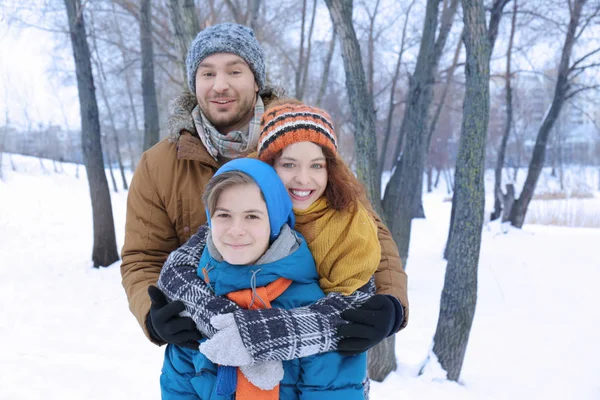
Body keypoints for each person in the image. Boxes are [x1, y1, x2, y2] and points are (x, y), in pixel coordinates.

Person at [120, 22, 408, 355]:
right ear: (194, 83)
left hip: (308, 343)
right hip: (207, 350)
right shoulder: (159, 165)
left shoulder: (298, 138)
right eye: (207, 73)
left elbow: (362, 224)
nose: (220, 85)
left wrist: (392, 303)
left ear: (256, 79)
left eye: (234, 71)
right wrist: (152, 313)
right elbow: (143, 257)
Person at [157, 101, 401, 375]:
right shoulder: (246, 205)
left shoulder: (349, 222)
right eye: (289, 164)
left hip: (315, 374)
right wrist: (196, 312)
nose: (303, 179)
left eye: (317, 166)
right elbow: (179, 266)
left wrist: (253, 335)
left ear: (330, 169)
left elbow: (351, 306)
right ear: (269, 165)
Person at [161, 158, 369, 399]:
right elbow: (179, 387)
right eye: (224, 215)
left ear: (275, 219)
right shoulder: (196, 300)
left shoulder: (316, 310)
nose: (236, 229)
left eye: (252, 216)